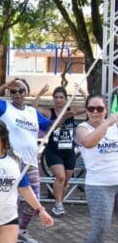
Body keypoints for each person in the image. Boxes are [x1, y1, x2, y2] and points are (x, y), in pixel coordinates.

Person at [0, 78, 52, 243]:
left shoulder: (32, 112)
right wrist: (5, 85)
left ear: (26, 93)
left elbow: (49, 125)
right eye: (13, 91)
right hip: (11, 162)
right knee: (11, 201)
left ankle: (20, 230)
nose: (17, 94)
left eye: (20, 91)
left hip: (31, 163)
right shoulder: (3, 107)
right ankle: (8, 235)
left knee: (34, 200)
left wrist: (67, 115)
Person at [75, 94, 118, 243]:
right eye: (91, 108)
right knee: (101, 227)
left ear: (106, 110)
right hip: (99, 185)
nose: (95, 112)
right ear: (86, 110)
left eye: (99, 109)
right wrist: (107, 123)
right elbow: (89, 142)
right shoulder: (82, 129)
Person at [33, 84, 87, 216]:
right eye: (56, 97)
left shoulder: (71, 110)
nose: (58, 100)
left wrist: (82, 91)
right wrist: (40, 93)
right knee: (60, 177)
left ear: (65, 99)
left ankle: (59, 204)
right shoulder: (49, 112)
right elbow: (33, 108)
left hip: (69, 152)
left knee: (66, 181)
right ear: (53, 99)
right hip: (53, 151)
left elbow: (89, 107)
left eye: (61, 97)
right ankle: (58, 204)